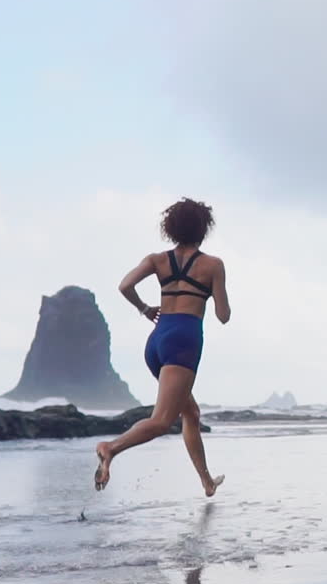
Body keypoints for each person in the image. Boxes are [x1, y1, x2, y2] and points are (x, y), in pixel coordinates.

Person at [94, 197, 231, 497]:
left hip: (157, 341)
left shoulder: (157, 260)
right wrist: (212, 290)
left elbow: (125, 285)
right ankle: (111, 448)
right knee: (161, 421)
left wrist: (144, 309)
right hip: (183, 342)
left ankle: (207, 482)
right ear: (203, 228)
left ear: (171, 228)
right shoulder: (213, 265)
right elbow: (223, 316)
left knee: (191, 413)